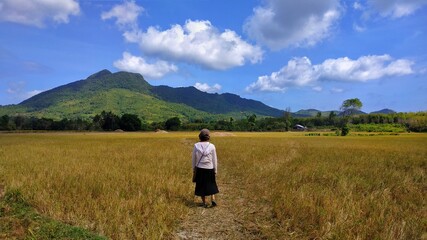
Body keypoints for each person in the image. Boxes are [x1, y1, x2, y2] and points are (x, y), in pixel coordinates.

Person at [192, 129, 219, 208]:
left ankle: (204, 203)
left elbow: (193, 158)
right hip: (210, 167)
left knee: (201, 186)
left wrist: (194, 169)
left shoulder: (196, 146)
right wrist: (215, 170)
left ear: (200, 137)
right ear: (208, 137)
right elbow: (215, 159)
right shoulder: (212, 146)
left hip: (200, 168)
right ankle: (212, 197)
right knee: (211, 183)